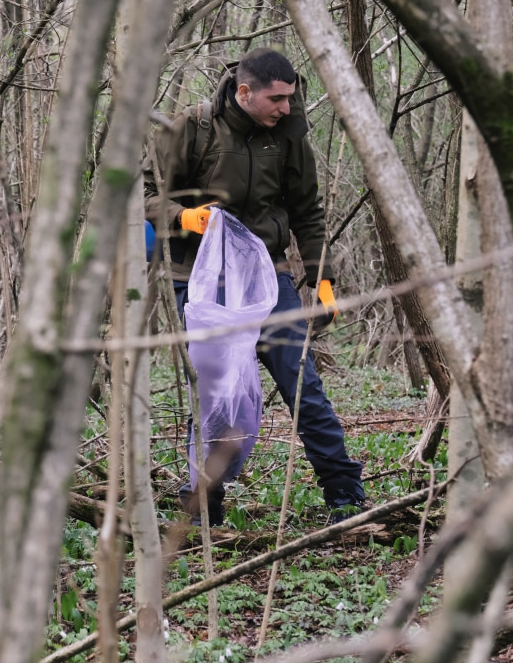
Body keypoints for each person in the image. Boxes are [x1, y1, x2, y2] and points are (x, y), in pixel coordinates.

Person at [143, 47, 364, 527]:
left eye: (290, 98)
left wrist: (322, 278)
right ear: (245, 93)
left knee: (301, 382)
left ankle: (344, 491)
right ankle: (203, 501)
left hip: (268, 276)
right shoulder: (193, 127)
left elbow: (308, 211)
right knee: (215, 393)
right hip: (203, 279)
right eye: (277, 98)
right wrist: (183, 217)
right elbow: (145, 197)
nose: (286, 107)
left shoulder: (287, 134)